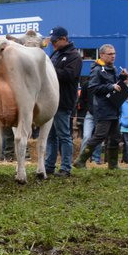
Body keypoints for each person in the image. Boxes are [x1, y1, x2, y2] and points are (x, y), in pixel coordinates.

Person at [75, 44, 128, 169]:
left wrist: (121, 77)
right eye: (110, 54)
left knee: (115, 137)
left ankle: (113, 164)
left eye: (114, 53)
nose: (113, 56)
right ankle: (80, 160)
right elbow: (93, 88)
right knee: (99, 136)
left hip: (114, 108)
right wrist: (111, 87)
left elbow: (113, 82)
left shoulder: (112, 68)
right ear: (102, 55)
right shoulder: (97, 70)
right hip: (104, 109)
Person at [43, 26, 83, 178]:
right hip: (51, 101)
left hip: (63, 101)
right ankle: (49, 166)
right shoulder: (55, 54)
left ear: (64, 39)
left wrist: (49, 70)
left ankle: (66, 167)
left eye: (55, 41)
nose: (52, 44)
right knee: (51, 136)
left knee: (64, 135)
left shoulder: (74, 56)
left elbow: (69, 75)